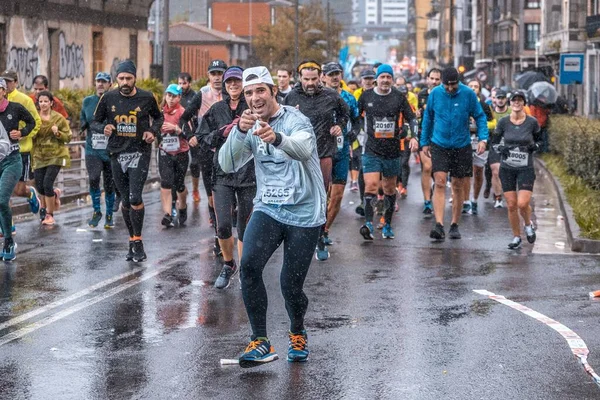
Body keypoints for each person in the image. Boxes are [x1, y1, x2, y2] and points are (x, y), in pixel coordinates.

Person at [218, 66, 326, 368]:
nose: (254, 98)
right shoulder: (248, 124)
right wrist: (239, 132)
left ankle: (297, 331)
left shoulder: (296, 119)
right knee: (249, 266)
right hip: (269, 207)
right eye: (249, 93)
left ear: (272, 92)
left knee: (289, 285)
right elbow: (226, 164)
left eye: (260, 91)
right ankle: (260, 340)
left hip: (304, 212)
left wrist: (277, 137)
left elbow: (304, 149)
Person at [94, 60, 164, 262]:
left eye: (129, 78)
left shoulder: (147, 97)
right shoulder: (108, 98)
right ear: (116, 79)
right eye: (121, 78)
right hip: (116, 153)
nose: (125, 82)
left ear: (135, 79)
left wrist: (152, 132)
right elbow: (95, 121)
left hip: (139, 152)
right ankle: (132, 239)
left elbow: (158, 118)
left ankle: (138, 240)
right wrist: (103, 128)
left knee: (135, 197)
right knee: (125, 200)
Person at [284, 60, 349, 260]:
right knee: (299, 194)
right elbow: (280, 120)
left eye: (314, 79)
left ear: (320, 77)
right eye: (306, 79)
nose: (310, 83)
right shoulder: (291, 96)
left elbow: (345, 113)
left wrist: (339, 125)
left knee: (321, 196)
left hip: (324, 152)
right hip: (299, 153)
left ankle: (320, 236)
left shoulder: (331, 96)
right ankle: (297, 235)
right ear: (299, 78)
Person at [197, 66, 256, 288]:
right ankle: (229, 263)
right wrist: (222, 132)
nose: (233, 85)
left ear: (244, 84)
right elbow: (202, 139)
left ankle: (245, 269)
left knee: (244, 226)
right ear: (224, 84)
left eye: (237, 81)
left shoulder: (252, 107)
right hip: (222, 174)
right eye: (229, 82)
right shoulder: (216, 109)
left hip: (249, 175)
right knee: (222, 225)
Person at [420, 67, 488, 240]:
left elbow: (480, 116)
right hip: (439, 144)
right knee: (441, 182)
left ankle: (455, 225)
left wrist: (483, 139)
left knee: (457, 185)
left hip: (461, 145)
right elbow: (428, 118)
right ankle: (439, 225)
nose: (450, 88)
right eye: (447, 85)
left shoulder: (468, 94)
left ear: (459, 82)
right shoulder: (435, 94)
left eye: (453, 85)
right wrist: (424, 142)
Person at [357, 64, 418, 241]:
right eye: (382, 77)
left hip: (392, 150)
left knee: (390, 189)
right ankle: (368, 224)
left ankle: (388, 225)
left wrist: (412, 135)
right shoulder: (366, 95)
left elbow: (412, 117)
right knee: (371, 186)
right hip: (371, 149)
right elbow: (355, 116)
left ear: (392, 79)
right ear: (377, 78)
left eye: (388, 77)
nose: (385, 80)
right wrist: (360, 130)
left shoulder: (398, 97)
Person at [181, 59, 227, 255]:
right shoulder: (202, 94)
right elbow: (184, 117)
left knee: (229, 197)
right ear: (208, 76)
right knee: (212, 195)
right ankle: (218, 234)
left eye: (220, 73)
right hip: (207, 151)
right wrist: (190, 136)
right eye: (214, 74)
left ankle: (228, 230)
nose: (217, 77)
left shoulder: (233, 93)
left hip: (229, 151)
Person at [320, 62, 359, 255]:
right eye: (331, 74)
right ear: (323, 77)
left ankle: (325, 230)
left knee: (337, 196)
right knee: (321, 196)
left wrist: (352, 136)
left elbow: (357, 120)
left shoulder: (349, 98)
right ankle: (316, 230)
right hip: (321, 152)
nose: (335, 77)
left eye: (337, 74)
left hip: (341, 151)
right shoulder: (317, 97)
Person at [495, 90, 541, 249]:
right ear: (510, 103)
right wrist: (501, 148)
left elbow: (540, 140)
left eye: (520, 100)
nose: (516, 103)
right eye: (514, 100)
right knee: (512, 204)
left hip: (525, 168)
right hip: (507, 168)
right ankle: (516, 237)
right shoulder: (503, 122)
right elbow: (494, 142)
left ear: (524, 103)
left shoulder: (532, 122)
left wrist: (534, 146)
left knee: (522, 203)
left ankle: (528, 225)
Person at [0, 78, 36, 260]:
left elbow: (32, 122)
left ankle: (8, 240)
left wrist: (21, 132)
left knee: (2, 199)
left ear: (4, 91)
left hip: (12, 160)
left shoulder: (14, 108)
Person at [0, 70, 41, 219]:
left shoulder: (24, 100)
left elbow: (36, 122)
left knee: (18, 190)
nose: (7, 84)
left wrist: (22, 133)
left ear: (16, 83)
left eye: (9, 81)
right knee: (3, 193)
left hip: (20, 152)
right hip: (1, 153)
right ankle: (7, 225)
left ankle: (30, 193)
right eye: (4, 81)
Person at [81, 72, 117, 228]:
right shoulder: (88, 101)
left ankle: (109, 214)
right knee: (94, 178)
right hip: (92, 148)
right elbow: (84, 120)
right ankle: (97, 211)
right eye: (98, 81)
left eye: (104, 81)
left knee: (109, 183)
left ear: (110, 84)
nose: (100, 84)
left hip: (110, 149)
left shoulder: (115, 101)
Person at [32, 91, 71, 225]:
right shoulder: (35, 118)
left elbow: (68, 137)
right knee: (39, 185)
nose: (43, 104)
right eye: (40, 101)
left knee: (47, 184)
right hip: (39, 155)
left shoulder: (59, 118)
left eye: (45, 101)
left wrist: (57, 133)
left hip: (56, 155)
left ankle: (49, 214)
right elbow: (29, 133)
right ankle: (53, 195)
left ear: (51, 103)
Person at [158, 84, 189, 228]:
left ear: (179, 97)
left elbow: (189, 134)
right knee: (165, 182)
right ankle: (168, 214)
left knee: (179, 184)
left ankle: (182, 206)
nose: (170, 99)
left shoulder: (184, 113)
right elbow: (153, 130)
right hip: (165, 151)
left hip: (181, 152)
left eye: (174, 96)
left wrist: (176, 129)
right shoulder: (159, 112)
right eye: (169, 95)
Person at [463, 79, 495, 215]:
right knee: (465, 172)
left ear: (479, 90)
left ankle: (475, 200)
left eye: (476, 86)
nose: (473, 88)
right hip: (464, 141)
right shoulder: (462, 103)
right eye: (470, 86)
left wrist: (481, 125)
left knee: (478, 172)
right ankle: (465, 201)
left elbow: (493, 123)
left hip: (480, 142)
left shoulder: (484, 105)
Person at [416, 68, 442, 216]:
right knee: (427, 166)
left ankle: (436, 194)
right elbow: (418, 116)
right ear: (427, 79)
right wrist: (418, 115)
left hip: (441, 136)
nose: (434, 81)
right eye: (432, 78)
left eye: (437, 79)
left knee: (438, 171)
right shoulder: (422, 95)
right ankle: (427, 202)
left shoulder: (445, 94)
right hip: (424, 134)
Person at [487, 89, 511, 208]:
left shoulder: (512, 111)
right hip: (494, 144)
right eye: (498, 98)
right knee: (496, 171)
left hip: (510, 145)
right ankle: (498, 197)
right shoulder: (490, 112)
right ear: (494, 99)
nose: (500, 100)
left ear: (506, 99)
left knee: (507, 173)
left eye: (502, 98)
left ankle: (508, 193)